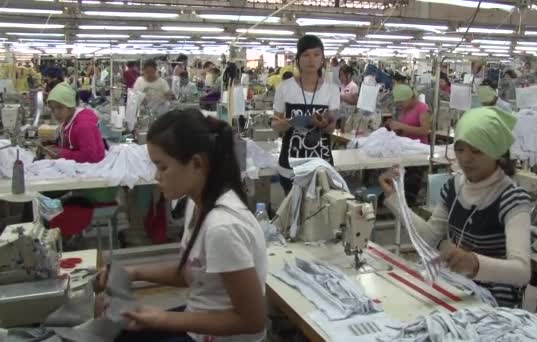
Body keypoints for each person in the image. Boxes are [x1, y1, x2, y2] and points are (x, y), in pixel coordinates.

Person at [100, 109, 267, 342]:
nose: (156, 177)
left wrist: (163, 319)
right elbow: (193, 272)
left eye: (162, 167)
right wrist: (132, 273)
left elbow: (252, 320)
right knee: (118, 331)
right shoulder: (197, 203)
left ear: (197, 163)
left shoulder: (223, 227)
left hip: (220, 336)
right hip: (201, 321)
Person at [379, 107, 531, 307]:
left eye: (476, 150)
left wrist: (475, 264)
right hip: (456, 285)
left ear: (496, 152)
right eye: (460, 149)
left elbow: (522, 272)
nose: (465, 158)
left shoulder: (511, 198)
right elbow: (430, 235)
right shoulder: (454, 187)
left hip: (492, 299)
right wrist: (395, 199)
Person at [271, 35, 340, 195]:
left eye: (316, 54)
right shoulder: (285, 88)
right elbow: (275, 125)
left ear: (322, 59)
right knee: (293, 216)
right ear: (298, 59)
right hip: (290, 166)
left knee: (318, 215)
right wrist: (294, 121)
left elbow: (330, 129)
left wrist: (324, 124)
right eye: (306, 55)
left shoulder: (332, 90)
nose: (311, 60)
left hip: (321, 165)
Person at [42, 82, 105, 163]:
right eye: (52, 109)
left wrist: (62, 153)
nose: (56, 113)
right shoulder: (68, 120)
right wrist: (53, 146)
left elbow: (91, 157)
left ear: (70, 106)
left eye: (60, 107)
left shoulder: (83, 126)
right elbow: (72, 145)